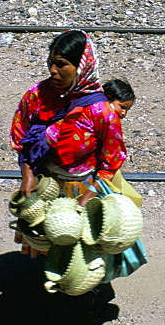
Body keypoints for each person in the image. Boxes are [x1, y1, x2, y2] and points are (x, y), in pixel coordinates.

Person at [10, 30, 127, 256]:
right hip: (46, 184)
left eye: (61, 64)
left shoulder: (101, 112)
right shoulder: (37, 96)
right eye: (51, 62)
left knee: (80, 254)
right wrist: (28, 174)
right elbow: (20, 136)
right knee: (47, 246)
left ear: (82, 67)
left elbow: (111, 159)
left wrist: (87, 199)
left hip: (84, 189)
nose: (52, 70)